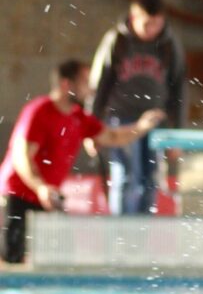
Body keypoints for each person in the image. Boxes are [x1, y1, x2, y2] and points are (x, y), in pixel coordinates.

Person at [0, 59, 165, 265]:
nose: (91, 88)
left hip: (47, 196)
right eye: (85, 82)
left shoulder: (79, 118)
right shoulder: (39, 111)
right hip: (18, 193)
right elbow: (22, 156)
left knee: (56, 260)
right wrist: (40, 187)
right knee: (11, 260)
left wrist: (141, 126)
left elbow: (112, 137)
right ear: (66, 85)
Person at [87, 0, 185, 215]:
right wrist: (91, 127)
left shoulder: (170, 45)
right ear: (133, 18)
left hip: (155, 119)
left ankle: (139, 236)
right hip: (121, 117)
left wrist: (177, 133)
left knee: (150, 178)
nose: (151, 30)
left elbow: (179, 89)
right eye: (147, 24)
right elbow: (99, 84)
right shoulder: (117, 40)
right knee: (127, 175)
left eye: (157, 24)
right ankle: (121, 236)